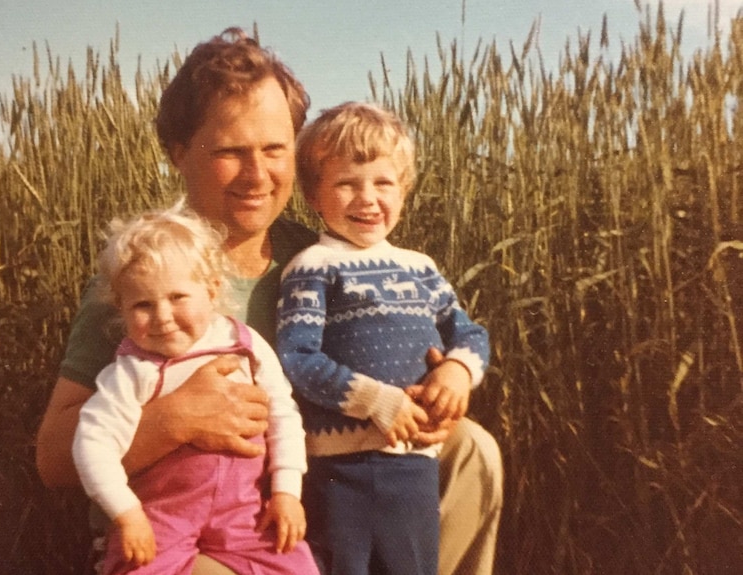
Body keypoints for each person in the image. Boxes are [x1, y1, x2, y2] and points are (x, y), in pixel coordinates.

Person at [35, 27, 503, 575]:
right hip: (188, 537)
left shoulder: (324, 261)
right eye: (231, 152)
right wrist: (172, 421)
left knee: (471, 450)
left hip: (316, 503)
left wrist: (438, 390)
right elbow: (52, 457)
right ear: (178, 153)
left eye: (275, 150)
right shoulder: (146, 282)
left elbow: (423, 356)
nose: (258, 175)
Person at [276, 102, 490, 574]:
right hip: (342, 466)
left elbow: (470, 333)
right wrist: (377, 401)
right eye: (346, 184)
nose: (367, 198)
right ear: (314, 196)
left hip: (414, 459)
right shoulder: (313, 267)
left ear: (404, 190)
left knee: (414, 564)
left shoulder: (421, 268)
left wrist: (457, 370)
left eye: (383, 183)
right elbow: (297, 357)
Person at [72, 207, 318, 574]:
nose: (162, 316)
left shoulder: (244, 345)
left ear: (212, 289)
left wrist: (286, 491)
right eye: (142, 304)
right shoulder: (131, 371)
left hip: (245, 514)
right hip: (161, 517)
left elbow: (282, 415)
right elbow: (91, 445)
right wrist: (126, 513)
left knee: (295, 565)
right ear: (120, 308)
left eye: (177, 297)